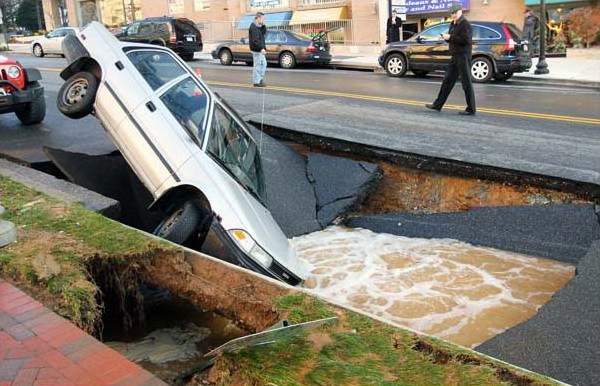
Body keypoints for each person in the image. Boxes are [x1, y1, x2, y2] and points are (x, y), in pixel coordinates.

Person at [426, 3, 476, 116]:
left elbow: (466, 40)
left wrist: (451, 37)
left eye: (454, 13)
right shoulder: (453, 24)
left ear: (460, 12)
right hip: (455, 56)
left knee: (466, 82)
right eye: (451, 13)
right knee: (447, 81)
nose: (452, 15)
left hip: (463, 56)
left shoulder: (465, 24)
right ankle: (438, 105)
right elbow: (453, 39)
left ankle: (471, 109)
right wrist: (446, 38)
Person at [249, 12, 267, 87]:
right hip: (257, 50)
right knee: (258, 65)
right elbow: (255, 40)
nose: (264, 20)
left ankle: (260, 79)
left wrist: (263, 25)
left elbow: (263, 33)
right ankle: (256, 81)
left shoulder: (258, 26)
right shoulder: (253, 27)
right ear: (258, 18)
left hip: (260, 49)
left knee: (263, 64)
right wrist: (261, 48)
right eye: (263, 18)